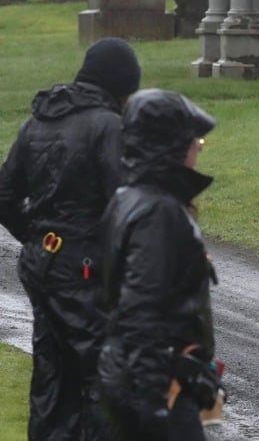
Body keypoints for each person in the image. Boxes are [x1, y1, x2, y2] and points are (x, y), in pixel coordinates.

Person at [0, 38, 142, 441]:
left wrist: (39, 237)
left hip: (43, 265)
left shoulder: (37, 122)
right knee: (103, 378)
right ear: (119, 86)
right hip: (86, 268)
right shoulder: (108, 126)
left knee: (52, 379)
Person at [97, 89, 223, 441]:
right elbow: (142, 308)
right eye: (194, 140)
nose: (199, 147)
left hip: (139, 375)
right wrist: (153, 401)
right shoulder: (157, 213)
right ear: (168, 146)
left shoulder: (129, 198)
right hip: (154, 384)